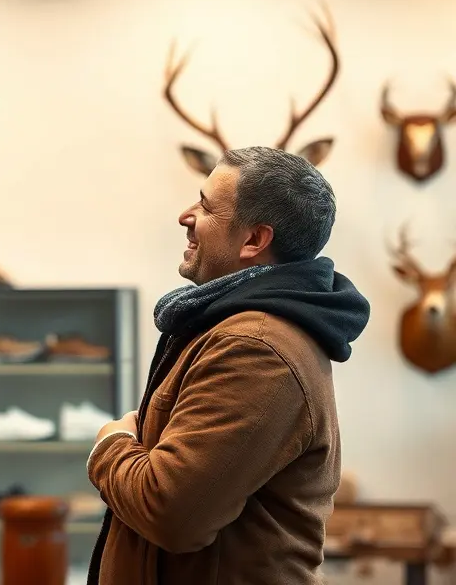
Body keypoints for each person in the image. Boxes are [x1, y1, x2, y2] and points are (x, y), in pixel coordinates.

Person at [85, 146, 371, 584]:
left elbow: (173, 515)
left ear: (254, 240)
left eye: (205, 205)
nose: (186, 216)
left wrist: (112, 444)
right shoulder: (235, 330)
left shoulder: (255, 349)